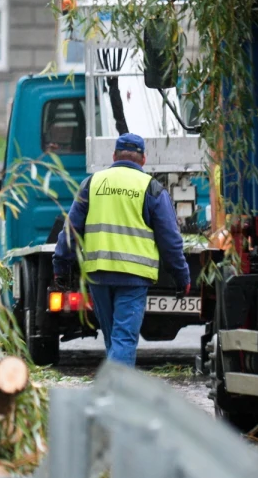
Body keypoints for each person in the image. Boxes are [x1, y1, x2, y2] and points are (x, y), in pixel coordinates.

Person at [52, 133, 190, 367]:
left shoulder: (92, 183)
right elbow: (170, 240)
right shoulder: (151, 188)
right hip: (133, 276)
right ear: (144, 159)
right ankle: (117, 394)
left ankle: (113, 391)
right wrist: (181, 276)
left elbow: (71, 229)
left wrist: (61, 267)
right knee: (123, 339)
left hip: (99, 274)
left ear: (114, 156)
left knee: (114, 339)